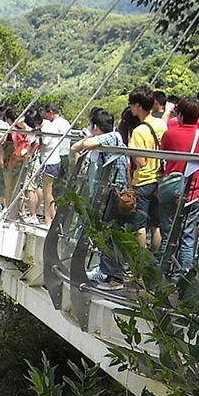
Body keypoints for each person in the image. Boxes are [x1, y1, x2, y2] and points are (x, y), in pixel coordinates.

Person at [72, 107, 139, 290]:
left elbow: (85, 145)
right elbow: (75, 147)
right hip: (107, 192)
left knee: (111, 233)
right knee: (105, 232)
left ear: (95, 126)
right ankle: (106, 270)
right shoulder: (109, 138)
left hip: (114, 193)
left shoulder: (113, 137)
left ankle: (115, 278)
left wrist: (86, 138)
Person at [158, 97, 199, 278]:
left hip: (172, 188)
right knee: (188, 235)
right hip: (194, 191)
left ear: (180, 115)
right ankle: (184, 276)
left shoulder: (170, 134)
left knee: (168, 232)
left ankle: (165, 271)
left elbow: (163, 155)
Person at [127, 86, 167, 250]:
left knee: (139, 224)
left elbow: (140, 162)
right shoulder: (162, 125)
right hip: (159, 180)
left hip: (143, 181)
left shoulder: (139, 131)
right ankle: (154, 257)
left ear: (137, 106)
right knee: (155, 224)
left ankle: (139, 261)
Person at [38, 103, 73, 226]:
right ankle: (58, 215)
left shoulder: (53, 125)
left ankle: (52, 216)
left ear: (51, 112)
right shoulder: (66, 123)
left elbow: (47, 142)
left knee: (51, 190)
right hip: (65, 156)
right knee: (61, 187)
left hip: (55, 156)